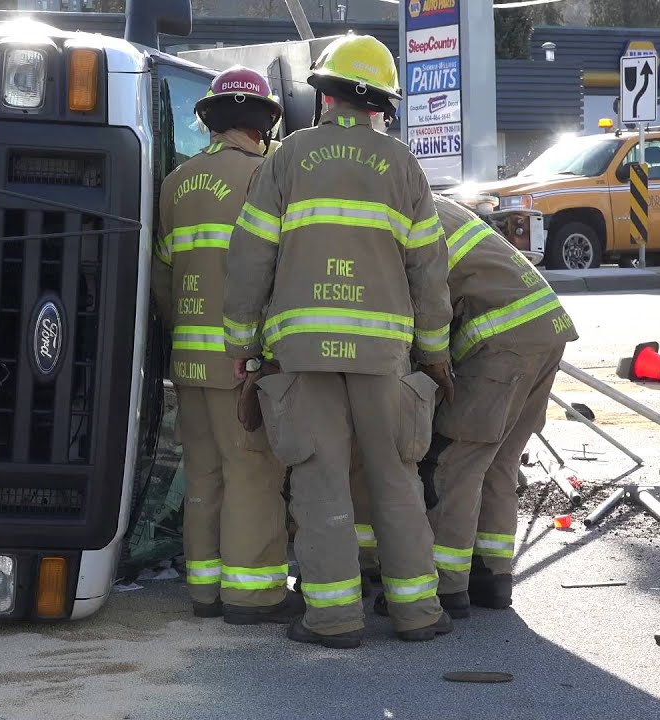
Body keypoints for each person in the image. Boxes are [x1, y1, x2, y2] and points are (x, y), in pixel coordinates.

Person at [223, 35, 455, 648]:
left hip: (301, 355)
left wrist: (244, 346)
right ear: (380, 104)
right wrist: (434, 354)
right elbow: (429, 273)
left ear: (322, 94)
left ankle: (332, 619)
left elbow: (249, 260)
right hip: (384, 359)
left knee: (319, 478)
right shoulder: (404, 166)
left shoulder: (287, 158)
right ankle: (418, 612)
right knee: (396, 477)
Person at [356, 194, 579, 616]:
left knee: (452, 463)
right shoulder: (426, 199)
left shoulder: (391, 214)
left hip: (502, 339)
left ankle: (443, 585)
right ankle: (491, 576)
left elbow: (423, 308)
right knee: (495, 462)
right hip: (545, 329)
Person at [153, 66, 303, 625]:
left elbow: (163, 275)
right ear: (263, 122)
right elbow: (279, 270)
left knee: (204, 475)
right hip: (241, 360)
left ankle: (205, 591)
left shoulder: (175, 182)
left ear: (211, 120)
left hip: (188, 360)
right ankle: (253, 595)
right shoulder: (265, 177)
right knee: (253, 475)